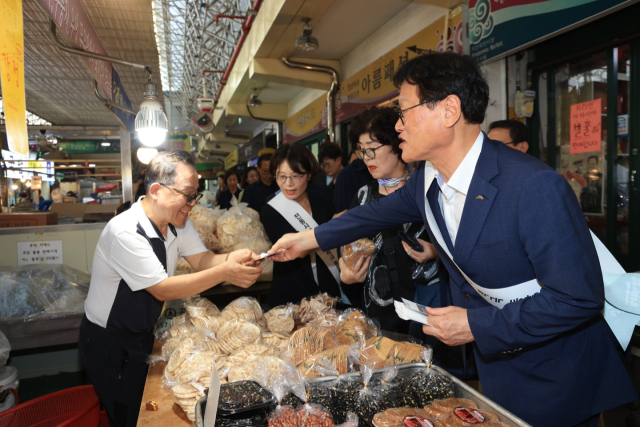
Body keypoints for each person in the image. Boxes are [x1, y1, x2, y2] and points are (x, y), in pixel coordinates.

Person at [269, 52, 637, 427]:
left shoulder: (533, 187)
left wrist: (477, 325)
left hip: (558, 375)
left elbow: (578, 298)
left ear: (448, 111)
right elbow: (373, 214)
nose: (398, 126)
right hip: (497, 369)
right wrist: (306, 239)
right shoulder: (429, 179)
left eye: (404, 110)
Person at [79, 151, 262, 427]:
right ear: (156, 190)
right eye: (187, 195)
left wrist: (232, 258)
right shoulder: (126, 231)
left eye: (195, 195)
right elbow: (162, 289)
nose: (192, 204)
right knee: (129, 415)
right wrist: (225, 272)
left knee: (146, 403)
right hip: (110, 342)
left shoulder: (178, 222)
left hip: (142, 333)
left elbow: (202, 260)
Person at [340, 106, 440, 335]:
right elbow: (346, 252)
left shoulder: (427, 190)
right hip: (379, 317)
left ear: (397, 144)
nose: (366, 158)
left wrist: (435, 251)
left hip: (431, 313)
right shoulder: (363, 196)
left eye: (372, 149)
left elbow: (459, 246)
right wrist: (346, 274)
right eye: (361, 150)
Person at [260, 144, 341, 307]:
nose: (288, 184)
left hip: (328, 287)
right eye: (281, 176)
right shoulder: (270, 209)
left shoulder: (323, 196)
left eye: (296, 176)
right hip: (292, 294)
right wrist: (336, 228)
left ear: (309, 174)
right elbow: (297, 249)